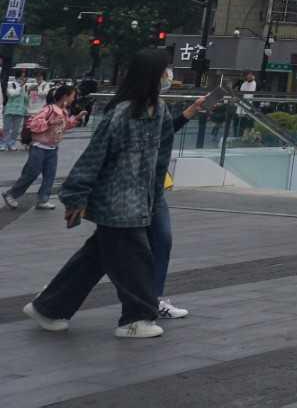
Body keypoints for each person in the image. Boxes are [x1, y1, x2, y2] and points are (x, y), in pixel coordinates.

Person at [23, 49, 178, 339]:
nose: (168, 77)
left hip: (139, 200)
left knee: (94, 259)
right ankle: (136, 319)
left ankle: (49, 308)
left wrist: (154, 197)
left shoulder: (161, 111)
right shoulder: (122, 113)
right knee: (135, 259)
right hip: (115, 201)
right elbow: (95, 156)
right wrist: (77, 196)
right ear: (151, 75)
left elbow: (161, 161)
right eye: (164, 71)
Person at [150, 75, 221, 322]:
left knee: (161, 241)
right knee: (104, 252)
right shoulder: (130, 107)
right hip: (132, 189)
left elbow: (164, 135)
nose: (168, 80)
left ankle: (153, 299)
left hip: (152, 187)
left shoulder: (157, 106)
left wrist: (190, 111)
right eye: (163, 75)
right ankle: (54, 299)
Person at [4, 83, 85, 209]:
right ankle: (11, 194)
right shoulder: (49, 109)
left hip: (52, 148)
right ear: (65, 96)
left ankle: (43, 199)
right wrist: (50, 122)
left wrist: (76, 119)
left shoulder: (63, 111)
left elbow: (64, 126)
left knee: (50, 175)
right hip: (39, 147)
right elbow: (34, 124)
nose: (73, 99)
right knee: (31, 173)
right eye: (73, 96)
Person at [0, 74, 24, 150]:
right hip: (9, 110)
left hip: (20, 110)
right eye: (21, 76)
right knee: (6, 128)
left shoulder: (25, 86)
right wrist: (20, 86)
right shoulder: (11, 84)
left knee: (16, 129)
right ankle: (3, 143)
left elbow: (26, 98)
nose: (23, 78)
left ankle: (12, 143)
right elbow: (11, 94)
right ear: (17, 77)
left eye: (24, 77)